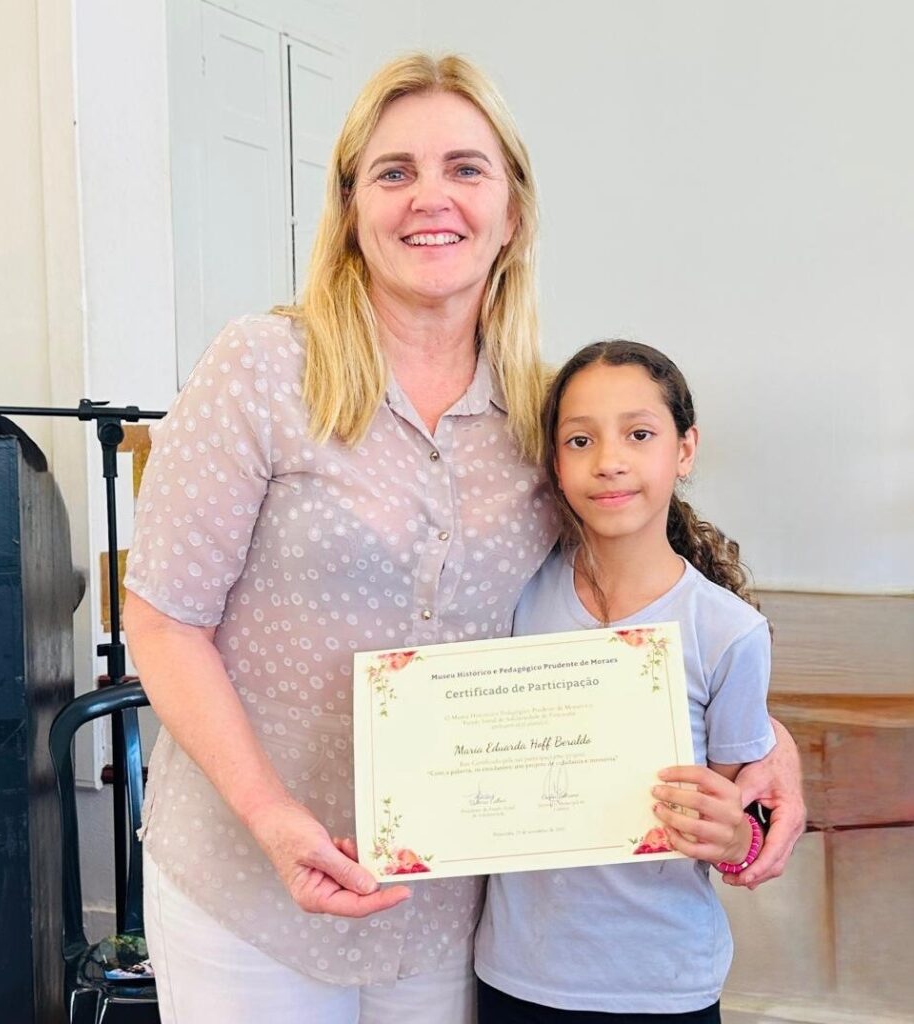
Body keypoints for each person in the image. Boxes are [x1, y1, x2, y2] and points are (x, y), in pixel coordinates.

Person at [122, 54, 803, 1024]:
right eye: (393, 171)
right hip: (248, 890)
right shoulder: (262, 369)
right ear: (350, 205)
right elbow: (162, 619)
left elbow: (631, 602)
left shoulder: (543, 414)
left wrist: (765, 743)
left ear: (511, 211)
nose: (428, 197)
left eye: (464, 169)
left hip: (448, 900)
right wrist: (276, 819)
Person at [474, 340, 781, 1023]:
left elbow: (738, 819)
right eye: (579, 440)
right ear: (555, 462)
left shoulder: (727, 634)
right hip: (514, 976)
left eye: (639, 434)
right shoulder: (516, 598)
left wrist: (738, 842)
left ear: (685, 449)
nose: (609, 460)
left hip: (661, 985)